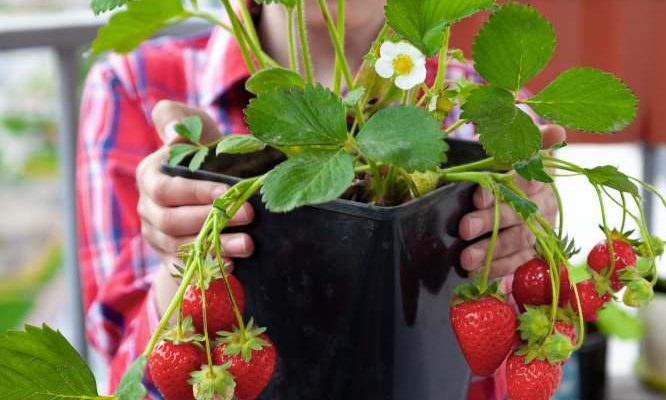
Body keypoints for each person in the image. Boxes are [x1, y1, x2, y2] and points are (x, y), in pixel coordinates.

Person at [76, 1, 566, 399]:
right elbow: (131, 380)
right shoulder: (134, 90)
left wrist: (520, 255)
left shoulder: (486, 108)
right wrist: (195, 235)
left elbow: (505, 371)